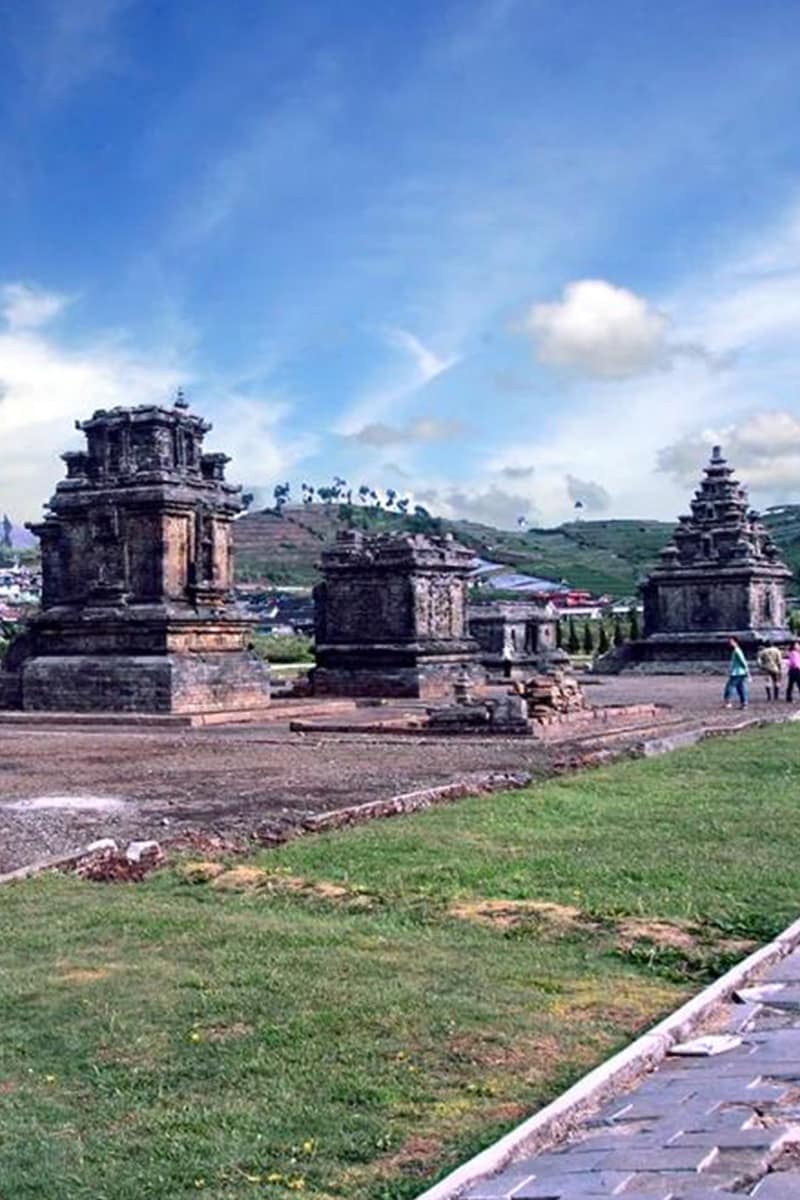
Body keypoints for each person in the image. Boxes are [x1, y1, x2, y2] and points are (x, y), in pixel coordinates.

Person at [723, 637, 750, 709]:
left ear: (736, 642)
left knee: (729, 687)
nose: (730, 643)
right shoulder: (736, 650)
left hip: (737, 672)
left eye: (731, 642)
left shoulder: (737, 651)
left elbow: (743, 661)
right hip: (741, 672)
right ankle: (744, 703)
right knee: (741, 688)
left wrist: (747, 671)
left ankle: (728, 703)